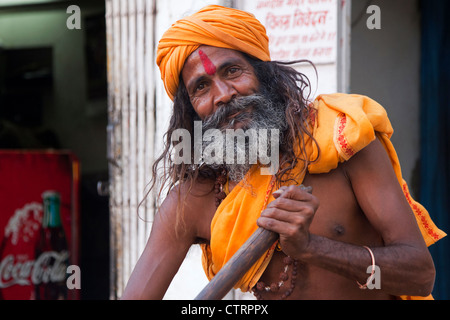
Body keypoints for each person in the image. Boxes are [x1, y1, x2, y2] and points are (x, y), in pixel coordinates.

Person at [121, 5, 445, 300]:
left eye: (232, 71)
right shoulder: (193, 200)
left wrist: (312, 248)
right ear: (191, 111)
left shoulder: (341, 142)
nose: (222, 95)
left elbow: (419, 276)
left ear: (264, 74)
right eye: (201, 87)